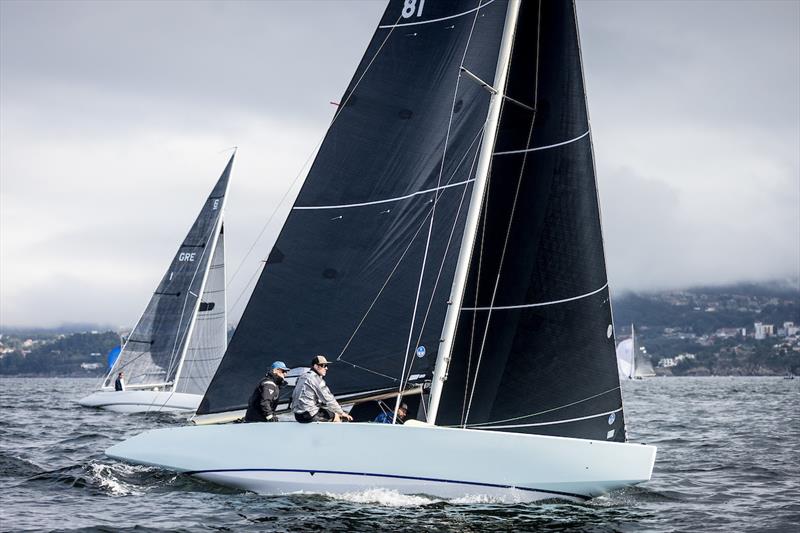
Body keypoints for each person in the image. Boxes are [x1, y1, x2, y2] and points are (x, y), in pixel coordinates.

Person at [292, 355, 353, 423]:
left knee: (328, 411)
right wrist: (342, 413)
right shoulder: (316, 379)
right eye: (324, 366)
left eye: (327, 366)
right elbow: (329, 399)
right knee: (336, 416)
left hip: (297, 416)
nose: (326, 368)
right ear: (316, 366)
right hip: (309, 415)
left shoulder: (301, 377)